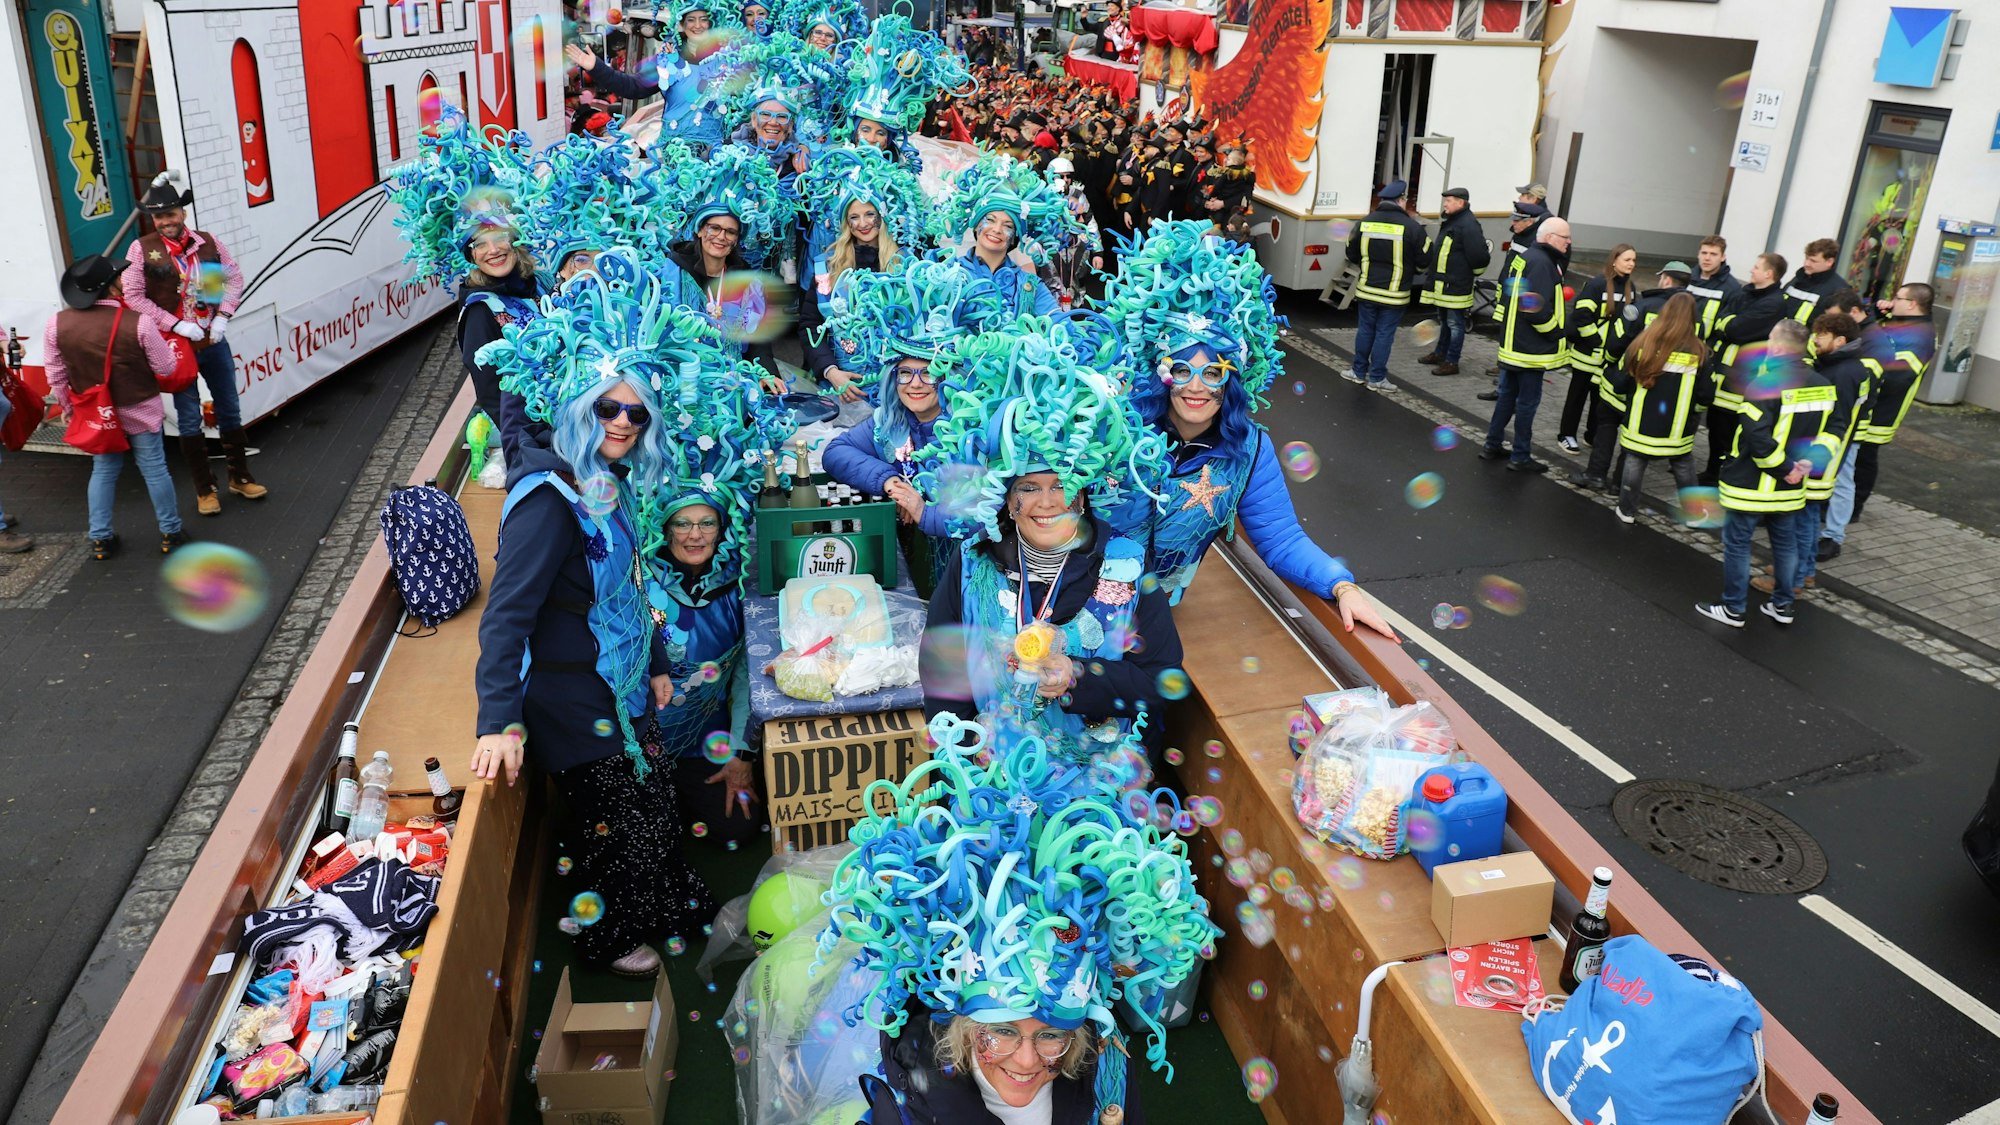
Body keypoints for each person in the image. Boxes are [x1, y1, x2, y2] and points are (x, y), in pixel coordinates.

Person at [473, 261, 750, 976]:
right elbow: (505, 618)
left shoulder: (605, 479)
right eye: (608, 408)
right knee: (622, 821)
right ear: (580, 406)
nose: (623, 422)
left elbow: (627, 585)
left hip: (620, 684)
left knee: (647, 806)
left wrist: (653, 662)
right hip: (572, 697)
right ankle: (608, 937)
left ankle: (659, 901)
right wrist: (496, 721)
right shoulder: (546, 501)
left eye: (636, 412)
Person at [831, 714, 1215, 1125]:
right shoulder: (909, 1111)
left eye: (1051, 1034)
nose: (1028, 1061)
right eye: (1001, 1031)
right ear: (963, 1027)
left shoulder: (1106, 1073)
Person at [1101, 222, 1398, 644]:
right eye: (1182, 370)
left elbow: (1282, 538)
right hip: (1071, 600)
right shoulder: (1117, 429)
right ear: (1163, 374)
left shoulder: (1248, 449)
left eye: (1213, 373)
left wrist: (1341, 586)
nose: (1196, 386)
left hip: (1154, 620)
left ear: (1232, 381)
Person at [122, 175, 267, 517]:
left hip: (212, 338)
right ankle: (205, 489)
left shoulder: (207, 242)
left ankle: (240, 477)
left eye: (170, 214)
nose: (165, 222)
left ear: (182, 213)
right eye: (159, 217)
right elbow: (133, 296)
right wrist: (175, 324)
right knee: (189, 419)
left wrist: (222, 317)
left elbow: (232, 278)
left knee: (229, 408)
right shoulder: (141, 249)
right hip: (176, 344)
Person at [46, 255, 188, 561]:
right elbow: (165, 367)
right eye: (119, 278)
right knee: (154, 468)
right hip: (140, 406)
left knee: (104, 470)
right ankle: (170, 533)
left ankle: (100, 538)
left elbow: (56, 374)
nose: (123, 281)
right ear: (110, 287)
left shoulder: (56, 324)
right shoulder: (139, 322)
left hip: (97, 413)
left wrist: (69, 407)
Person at [1697, 320, 1832, 629]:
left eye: (1771, 339)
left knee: (1738, 544)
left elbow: (1757, 437)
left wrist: (1785, 469)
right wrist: (1806, 464)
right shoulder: (1822, 384)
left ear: (1780, 347)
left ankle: (1733, 608)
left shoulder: (1764, 384)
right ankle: (1782, 605)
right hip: (1790, 489)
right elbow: (1833, 429)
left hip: (1751, 485)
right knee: (1785, 545)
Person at [1819, 282, 1933, 559]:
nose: (1891, 302)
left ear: (1912, 304)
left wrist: (1861, 391)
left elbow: (1896, 377)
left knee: (1858, 464)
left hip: (1877, 413)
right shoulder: (1897, 323)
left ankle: (1850, 512)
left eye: (1898, 298)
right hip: (1863, 409)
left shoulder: (1919, 336)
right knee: (1850, 466)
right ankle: (1839, 513)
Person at [1764, 311, 1873, 597]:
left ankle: (1795, 579)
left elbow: (1833, 421)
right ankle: (1804, 571)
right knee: (1809, 515)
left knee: (1803, 517)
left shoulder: (1842, 374)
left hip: (1818, 456)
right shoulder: (1848, 367)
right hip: (1824, 453)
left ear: (1840, 341)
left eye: (1822, 335)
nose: (1815, 340)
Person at [1576, 260, 1692, 492]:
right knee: (1632, 436)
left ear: (1666, 279)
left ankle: (1596, 475)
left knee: (1607, 424)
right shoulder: (1690, 314)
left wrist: (1611, 363)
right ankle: (1619, 485)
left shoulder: (1642, 306)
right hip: (1657, 388)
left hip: (1625, 378)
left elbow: (1617, 342)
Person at [1598, 292, 1710, 524]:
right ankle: (1694, 514)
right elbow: (1706, 395)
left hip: (1640, 422)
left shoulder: (1642, 344)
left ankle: (1627, 511)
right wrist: (1693, 413)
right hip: (1677, 427)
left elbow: (1619, 384)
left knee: (1635, 461)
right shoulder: (1700, 352)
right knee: (1683, 465)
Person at [1480, 217, 1571, 473]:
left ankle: (1491, 445)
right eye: (1565, 237)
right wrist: (1555, 333)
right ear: (1550, 237)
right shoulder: (1542, 263)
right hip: (1530, 350)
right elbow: (1533, 306)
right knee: (1526, 404)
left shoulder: (1528, 256)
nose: (1569, 242)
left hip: (1513, 344)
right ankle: (1520, 456)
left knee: (1506, 398)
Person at [1697, 251, 1787, 486]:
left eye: (1756, 267)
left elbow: (1736, 329)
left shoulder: (1773, 303)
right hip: (1724, 375)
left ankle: (1723, 476)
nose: (1751, 270)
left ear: (1769, 274)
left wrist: (1729, 323)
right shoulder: (1745, 293)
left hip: (1742, 380)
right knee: (1716, 428)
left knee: (1729, 433)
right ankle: (1712, 472)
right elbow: (1723, 319)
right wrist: (1729, 322)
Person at [1340, 179, 1428, 393]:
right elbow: (1425, 260)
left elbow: (1351, 253)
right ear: (1401, 201)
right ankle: (1377, 378)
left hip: (1367, 289)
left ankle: (1358, 372)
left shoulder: (1364, 223)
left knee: (1365, 331)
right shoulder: (1413, 228)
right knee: (1384, 334)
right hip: (1394, 294)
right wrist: (1412, 270)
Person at [1558, 244, 1638, 455]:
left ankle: (1591, 435)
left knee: (1600, 400)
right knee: (1576, 398)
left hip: (1608, 359)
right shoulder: (1597, 285)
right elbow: (1581, 315)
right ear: (1614, 261)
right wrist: (1595, 340)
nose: (1631, 264)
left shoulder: (1631, 288)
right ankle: (1566, 435)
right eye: (1627, 259)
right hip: (1587, 356)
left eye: (1633, 260)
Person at [1476, 200, 1549, 402]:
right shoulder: (1520, 235)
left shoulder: (1533, 241)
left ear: (1530, 222)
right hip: (1508, 299)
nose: (1513, 223)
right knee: (1505, 343)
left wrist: (1520, 304)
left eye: (1517, 220)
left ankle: (1507, 391)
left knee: (1513, 345)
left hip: (1518, 303)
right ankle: (1504, 387)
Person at [1416, 186, 1488, 377]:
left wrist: (1468, 274)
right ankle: (1440, 353)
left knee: (1455, 324)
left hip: (1456, 285)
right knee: (1445, 322)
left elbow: (1479, 256)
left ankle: (1452, 361)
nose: (1445, 204)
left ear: (1460, 203)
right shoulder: (1454, 221)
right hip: (1444, 285)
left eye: (1448, 201)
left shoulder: (1468, 225)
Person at [1686, 235, 1742, 339]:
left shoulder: (1732, 288)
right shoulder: (1685, 277)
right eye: (1704, 253)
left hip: (1706, 345)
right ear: (1698, 254)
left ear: (1723, 257)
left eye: (1713, 254)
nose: (1707, 258)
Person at [1780, 238, 1845, 326]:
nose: (1807, 264)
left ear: (1829, 262)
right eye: (1806, 258)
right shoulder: (1799, 278)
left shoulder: (1838, 290)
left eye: (1813, 261)